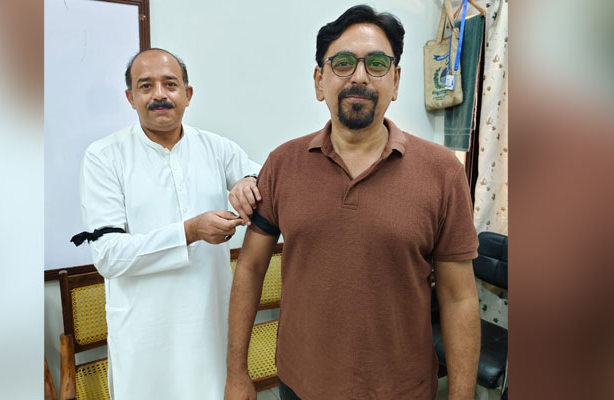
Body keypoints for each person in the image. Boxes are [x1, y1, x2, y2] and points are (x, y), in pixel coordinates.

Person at [224, 5, 480, 400]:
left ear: (395, 82)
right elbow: (251, 268)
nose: (359, 76)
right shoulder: (282, 164)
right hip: (299, 382)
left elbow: (459, 296)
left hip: (402, 390)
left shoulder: (443, 171)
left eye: (377, 64)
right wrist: (237, 373)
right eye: (342, 63)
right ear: (318, 80)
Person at [75, 48, 261, 399]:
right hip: (145, 339)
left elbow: (266, 181)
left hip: (211, 327)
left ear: (187, 95)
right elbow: (108, 256)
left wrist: (247, 181)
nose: (159, 94)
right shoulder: (104, 157)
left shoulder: (217, 148)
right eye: (146, 86)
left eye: (170, 84)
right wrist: (190, 231)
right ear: (130, 98)